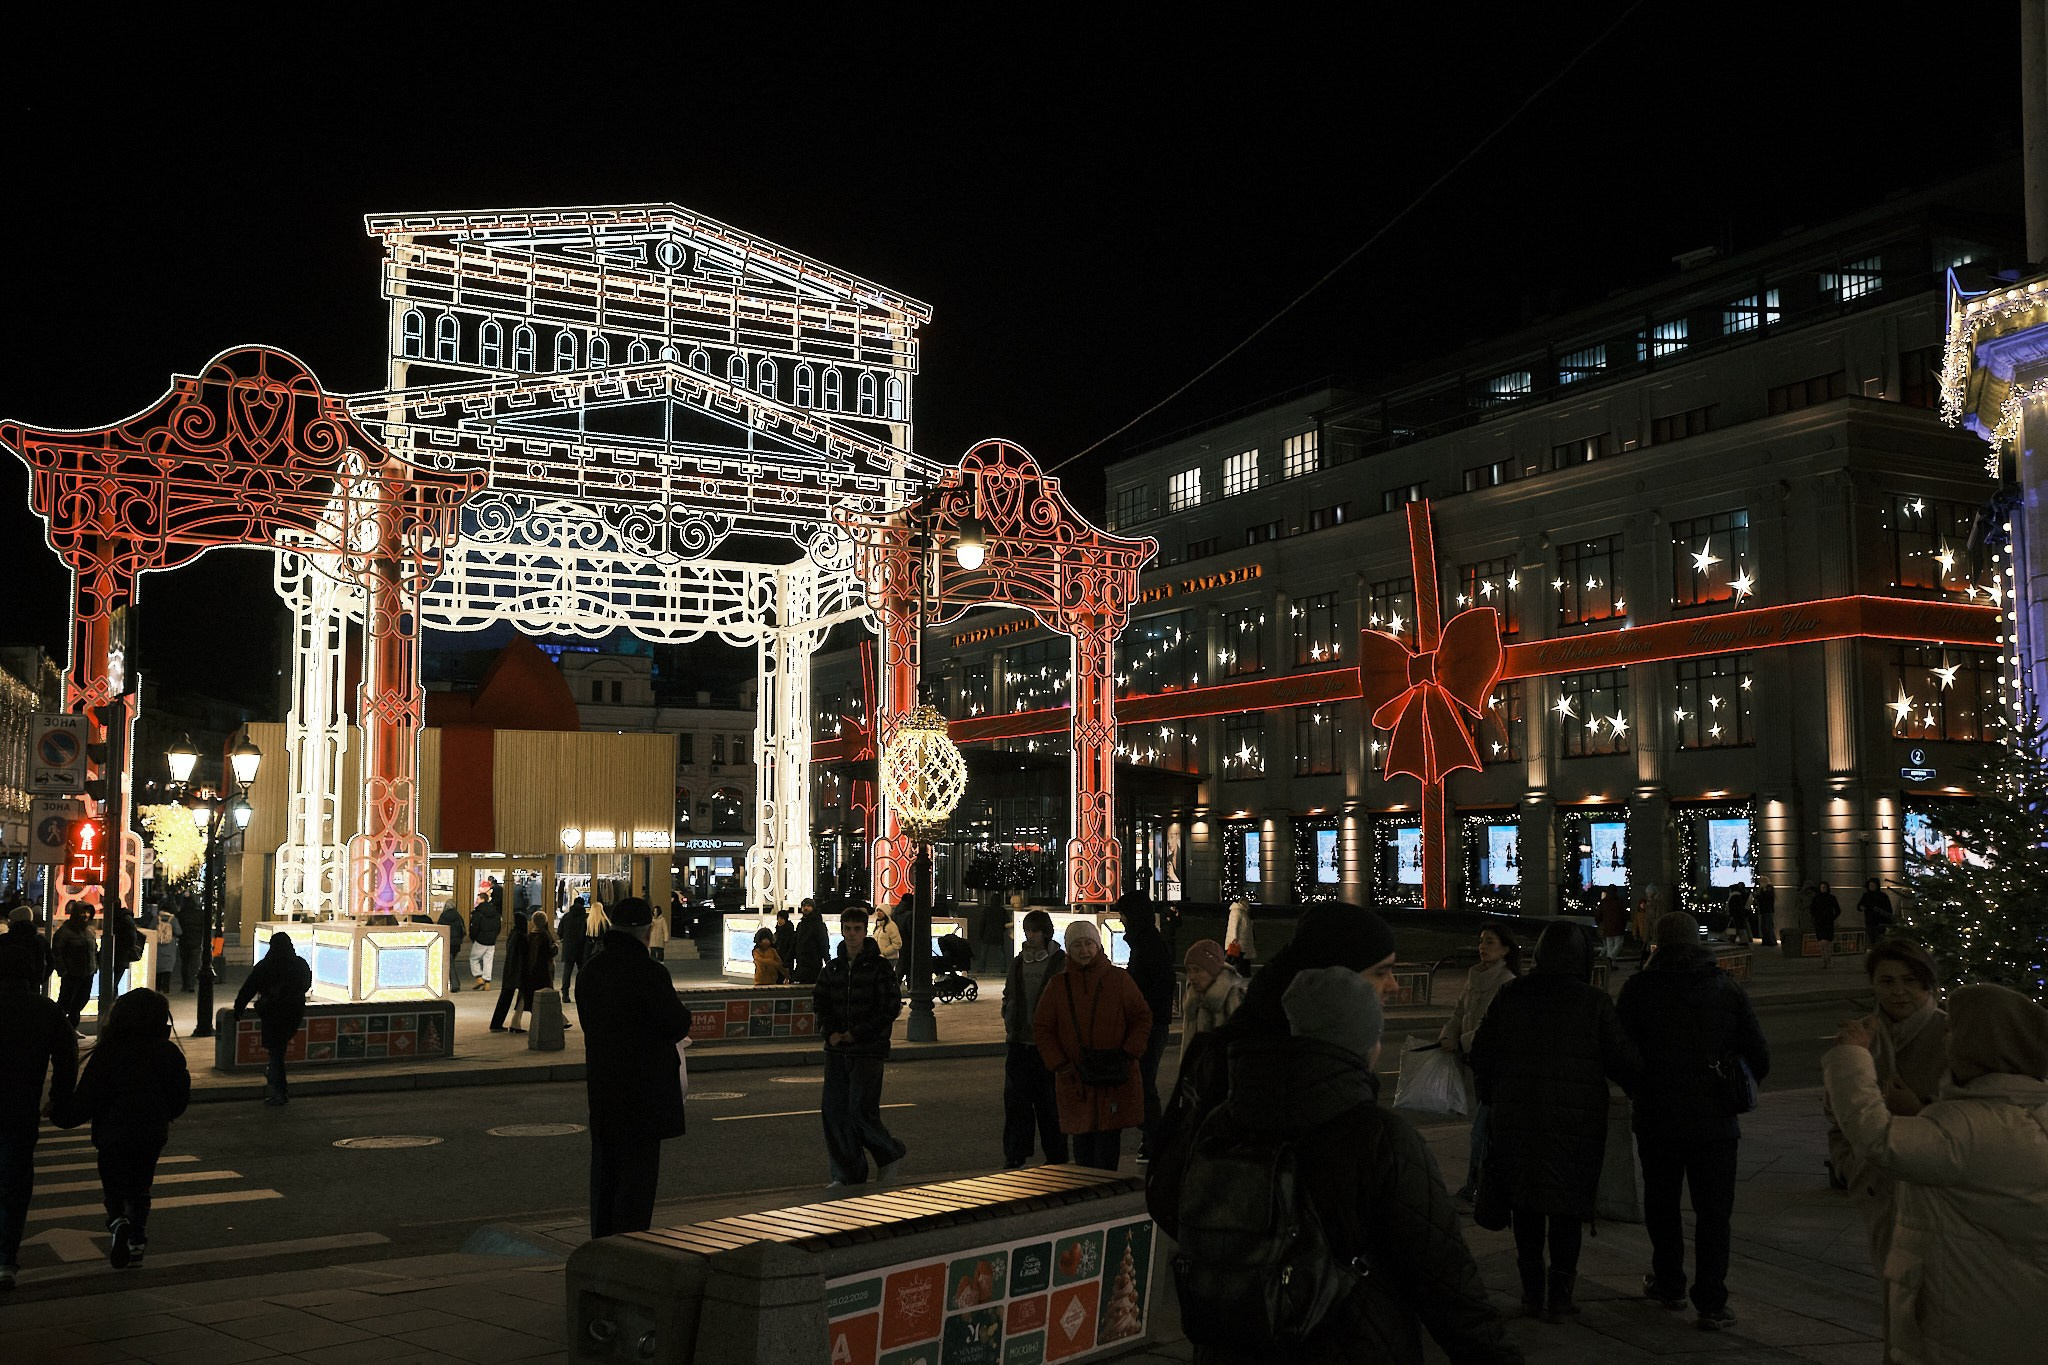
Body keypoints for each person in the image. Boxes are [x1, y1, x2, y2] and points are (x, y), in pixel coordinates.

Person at [1178, 966, 1521, 1364]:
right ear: (1365, 1044)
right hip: (1350, 1343)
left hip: (1234, 1341)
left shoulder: (1223, 1120)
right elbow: (1447, 1284)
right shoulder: (1379, 1138)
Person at [1822, 983, 2048, 1365]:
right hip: (2015, 1308)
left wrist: (1852, 1056)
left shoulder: (1969, 1127)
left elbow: (1876, 1136)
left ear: (1978, 1045)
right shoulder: (2025, 1114)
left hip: (1965, 1319)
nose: (1945, 1043)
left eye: (1954, 1033)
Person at [1469, 923, 1642, 1321]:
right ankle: (1561, 1296)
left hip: (1517, 1119)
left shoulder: (1512, 994)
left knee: (1525, 1205)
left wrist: (1493, 1098)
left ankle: (1532, 1294)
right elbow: (1625, 1062)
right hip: (1576, 1122)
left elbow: (1481, 1053)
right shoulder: (1593, 1002)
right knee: (1567, 1208)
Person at [1616, 911, 1770, 1331]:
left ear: (1657, 943)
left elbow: (1619, 1052)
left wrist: (1641, 1086)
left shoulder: (1638, 989)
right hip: (1715, 1121)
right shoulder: (1725, 988)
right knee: (1714, 1212)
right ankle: (1712, 1301)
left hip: (1657, 1118)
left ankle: (1669, 1285)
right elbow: (1759, 1056)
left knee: (1662, 1204)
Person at [575, 896, 692, 1238]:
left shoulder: (591, 971)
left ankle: (602, 1242)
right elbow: (676, 1023)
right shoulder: (650, 973)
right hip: (645, 1092)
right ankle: (630, 1247)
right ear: (645, 932)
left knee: (606, 1174)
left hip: (604, 1086)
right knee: (637, 1181)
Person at [52, 988, 190, 1270]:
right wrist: (164, 1114)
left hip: (112, 1133)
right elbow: (179, 1096)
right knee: (141, 1186)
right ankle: (137, 1242)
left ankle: (118, 1221)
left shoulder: (109, 1053)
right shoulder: (168, 1053)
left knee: (114, 1187)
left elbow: (87, 1099)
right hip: (152, 1132)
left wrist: (59, 1113)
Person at [1823, 940, 1948, 1251]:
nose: (1898, 992)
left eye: (1910, 981)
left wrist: (1917, 1110)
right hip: (1875, 1188)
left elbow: (1970, 1121)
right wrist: (1848, 1164)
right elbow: (1835, 1108)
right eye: (1887, 981)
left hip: (1933, 1189)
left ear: (1927, 983)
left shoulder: (1950, 1036)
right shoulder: (1863, 1036)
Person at [1032, 920, 1151, 1171]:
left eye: (1088, 944)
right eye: (1077, 945)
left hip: (1113, 1072)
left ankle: (1103, 1198)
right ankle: (1088, 1195)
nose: (1084, 950)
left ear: (1098, 946)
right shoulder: (1058, 986)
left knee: (1109, 1138)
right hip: (1074, 1076)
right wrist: (1059, 1064)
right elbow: (1043, 1028)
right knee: (1082, 1139)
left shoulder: (1119, 980)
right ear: (1068, 949)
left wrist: (1130, 1052)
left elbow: (1141, 1016)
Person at [0, 935, 78, 1290]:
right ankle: (5, 1258)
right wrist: (59, 1099)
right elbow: (66, 1057)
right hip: (20, 1109)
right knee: (14, 1184)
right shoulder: (44, 1011)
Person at [813, 907, 909, 1185]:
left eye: (857, 929)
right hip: (836, 1051)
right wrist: (829, 1032)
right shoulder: (832, 968)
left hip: (868, 1050)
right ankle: (848, 1173)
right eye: (848, 929)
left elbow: (889, 1007)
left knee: (859, 1111)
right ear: (841, 930)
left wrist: (858, 1033)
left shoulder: (879, 967)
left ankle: (889, 1152)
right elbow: (820, 1003)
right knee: (834, 1112)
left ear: (864, 931)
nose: (852, 934)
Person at [1441, 924, 1520, 1202]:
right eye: (1481, 941)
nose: (1482, 947)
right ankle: (1481, 1186)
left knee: (1481, 1130)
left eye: (1489, 942)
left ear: (1506, 949)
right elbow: (1459, 1012)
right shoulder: (1474, 978)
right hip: (1473, 1062)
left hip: (1493, 1067)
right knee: (1482, 1127)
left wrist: (1461, 1041)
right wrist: (1449, 1034)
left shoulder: (1507, 982)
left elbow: (1496, 1029)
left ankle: (1476, 1188)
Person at [999, 909, 1067, 1169]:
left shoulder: (1059, 961)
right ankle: (1015, 1154)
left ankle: (1056, 1155)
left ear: (1046, 932)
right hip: (1018, 1042)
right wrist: (1008, 1013)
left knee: (1049, 1104)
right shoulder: (1018, 962)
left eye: (1036, 931)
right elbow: (1009, 993)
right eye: (1028, 931)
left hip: (1047, 1045)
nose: (1032, 936)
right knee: (1016, 1103)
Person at [1117, 894, 1175, 1163]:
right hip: (1151, 1021)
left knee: (1144, 1082)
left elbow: (1151, 985)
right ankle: (1152, 1137)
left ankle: (1154, 1138)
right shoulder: (1145, 942)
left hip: (1150, 1024)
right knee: (1142, 1081)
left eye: (1124, 914)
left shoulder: (1148, 945)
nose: (1121, 919)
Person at [232, 932, 311, 1106]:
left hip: (272, 1013)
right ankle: (275, 1080)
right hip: (293, 1012)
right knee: (277, 1051)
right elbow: (306, 985)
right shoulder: (299, 964)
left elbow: (249, 988)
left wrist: (239, 1008)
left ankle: (278, 1089)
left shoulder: (265, 966)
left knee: (275, 1052)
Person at [1180, 938, 1246, 1042]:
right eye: (1189, 970)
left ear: (1213, 971)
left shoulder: (1233, 997)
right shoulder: (1192, 999)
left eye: (1197, 970)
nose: (1191, 976)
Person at [511, 910, 557, 1034]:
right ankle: (558, 1020)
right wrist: (555, 949)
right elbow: (547, 953)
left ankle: (515, 1022)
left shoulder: (530, 935)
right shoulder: (544, 936)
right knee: (545, 994)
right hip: (541, 970)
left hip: (529, 970)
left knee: (525, 996)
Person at [52, 904, 96, 1030]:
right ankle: (59, 1030)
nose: (86, 915)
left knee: (80, 1003)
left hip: (87, 973)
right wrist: (63, 971)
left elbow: (93, 951)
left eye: (88, 912)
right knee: (65, 1003)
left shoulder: (89, 930)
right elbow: (57, 953)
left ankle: (70, 1030)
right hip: (72, 974)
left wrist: (94, 966)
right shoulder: (65, 932)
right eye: (83, 912)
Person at [488, 908, 531, 1032]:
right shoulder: (521, 937)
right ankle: (512, 1024)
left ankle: (498, 1023)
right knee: (523, 997)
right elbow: (523, 955)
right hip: (518, 971)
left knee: (505, 998)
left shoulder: (513, 934)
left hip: (510, 971)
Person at [0, 906, 51, 991]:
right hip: (31, 985)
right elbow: (50, 961)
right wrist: (39, 979)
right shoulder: (39, 940)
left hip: (6, 985)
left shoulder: (5, 939)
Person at [467, 887, 501, 991]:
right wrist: (494, 935)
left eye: (478, 899)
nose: (476, 901)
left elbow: (474, 927)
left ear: (482, 900)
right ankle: (487, 982)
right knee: (488, 960)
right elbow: (498, 926)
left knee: (473, 958)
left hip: (481, 939)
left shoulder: (478, 912)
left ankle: (479, 977)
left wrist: (473, 937)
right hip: (491, 940)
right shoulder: (494, 912)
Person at [791, 898, 829, 985]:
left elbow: (823, 944)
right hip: (801, 963)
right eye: (804, 906)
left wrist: (827, 961)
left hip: (813, 963)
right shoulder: (801, 925)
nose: (806, 908)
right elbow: (795, 943)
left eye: (808, 906)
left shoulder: (818, 925)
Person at [175, 892, 208, 990]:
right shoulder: (200, 914)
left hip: (184, 941)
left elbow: (178, 929)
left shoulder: (180, 914)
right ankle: (191, 984)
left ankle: (185, 984)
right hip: (196, 942)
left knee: (184, 963)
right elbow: (204, 927)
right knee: (194, 964)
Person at [556, 896, 586, 1002]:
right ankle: (582, 993)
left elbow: (559, 931)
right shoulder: (585, 917)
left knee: (567, 971)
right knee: (582, 972)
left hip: (568, 947)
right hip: (581, 948)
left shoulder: (567, 916)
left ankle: (565, 994)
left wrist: (564, 939)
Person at [1810, 880, 1842, 969]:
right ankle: (1824, 959)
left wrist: (1832, 917)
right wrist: (1816, 916)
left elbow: (1838, 910)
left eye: (1824, 887)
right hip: (1819, 922)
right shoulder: (1816, 898)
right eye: (1821, 887)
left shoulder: (1831, 898)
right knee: (1821, 942)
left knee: (1826, 942)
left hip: (1828, 923)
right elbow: (1812, 909)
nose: (1823, 889)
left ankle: (1828, 958)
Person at [438, 898, 467, 991]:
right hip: (456, 944)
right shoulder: (458, 916)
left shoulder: (443, 916)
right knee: (451, 962)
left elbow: (440, 929)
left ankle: (454, 985)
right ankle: (451, 983)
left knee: (450, 964)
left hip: (447, 942)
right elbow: (463, 930)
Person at [1223, 899, 1256, 972]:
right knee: (1239, 957)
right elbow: (1235, 926)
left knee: (1241, 957)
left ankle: (1242, 972)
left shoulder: (1243, 911)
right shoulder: (1237, 911)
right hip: (1240, 939)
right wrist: (1235, 938)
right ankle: (1240, 973)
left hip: (1243, 939)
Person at [1596, 888, 1629, 961]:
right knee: (1618, 945)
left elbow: (1598, 915)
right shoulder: (1619, 902)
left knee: (1610, 946)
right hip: (1618, 927)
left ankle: (1610, 963)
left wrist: (1599, 923)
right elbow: (1624, 915)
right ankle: (1611, 959)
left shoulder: (1604, 902)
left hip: (1607, 927)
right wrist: (1624, 925)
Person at [152, 913, 178, 994]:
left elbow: (150, 929)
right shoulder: (173, 920)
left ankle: (157, 987)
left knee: (158, 967)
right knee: (167, 968)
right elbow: (179, 931)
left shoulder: (156, 919)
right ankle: (166, 988)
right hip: (170, 947)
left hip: (157, 947)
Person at [773, 908, 798, 980]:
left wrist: (787, 960)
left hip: (786, 961)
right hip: (778, 961)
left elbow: (791, 948)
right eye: (778, 918)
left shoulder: (790, 933)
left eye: (781, 918)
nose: (779, 920)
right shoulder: (778, 932)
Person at [1753, 876, 1777, 949]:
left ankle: (1771, 941)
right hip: (1764, 910)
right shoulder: (1764, 889)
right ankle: (1766, 940)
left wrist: (1759, 894)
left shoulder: (1768, 888)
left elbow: (1766, 898)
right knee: (1764, 926)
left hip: (1767, 910)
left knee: (1768, 926)